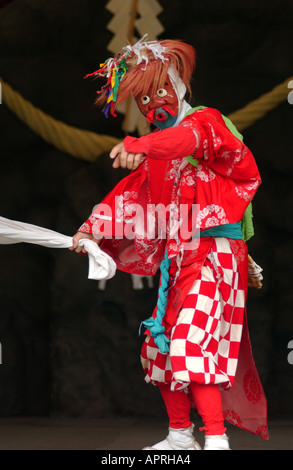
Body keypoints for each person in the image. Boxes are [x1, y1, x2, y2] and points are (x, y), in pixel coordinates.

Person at [70, 36, 268, 450]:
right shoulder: (158, 155)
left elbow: (188, 140)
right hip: (181, 259)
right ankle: (181, 435)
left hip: (216, 256)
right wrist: (90, 230)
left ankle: (216, 440)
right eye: (143, 98)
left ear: (178, 87)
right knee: (159, 347)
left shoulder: (205, 123)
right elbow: (129, 197)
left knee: (190, 341)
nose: (153, 104)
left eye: (160, 91)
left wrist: (139, 145)